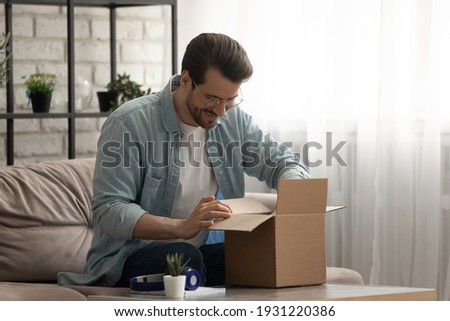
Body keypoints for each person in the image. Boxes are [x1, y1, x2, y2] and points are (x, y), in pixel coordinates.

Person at [58, 33, 309, 287]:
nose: (221, 111)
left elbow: (285, 163)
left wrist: (291, 200)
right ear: (186, 80)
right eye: (212, 98)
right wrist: (181, 227)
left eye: (230, 100)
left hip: (200, 254)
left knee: (264, 258)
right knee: (186, 258)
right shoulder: (129, 123)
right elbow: (109, 210)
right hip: (131, 256)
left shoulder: (233, 121)